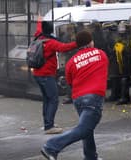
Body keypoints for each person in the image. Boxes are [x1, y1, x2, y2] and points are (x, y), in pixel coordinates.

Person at [41, 30, 109, 160]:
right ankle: (51, 147)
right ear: (90, 43)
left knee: (86, 128)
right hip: (94, 97)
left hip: (78, 98)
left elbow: (70, 81)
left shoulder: (71, 61)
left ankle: (90, 156)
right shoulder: (101, 54)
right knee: (84, 129)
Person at [33, 17, 77, 134]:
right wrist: (78, 43)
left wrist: (39, 20)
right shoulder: (50, 42)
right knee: (53, 99)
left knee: (47, 99)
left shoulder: (38, 38)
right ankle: (49, 126)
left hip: (37, 74)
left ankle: (48, 122)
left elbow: (38, 28)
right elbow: (64, 47)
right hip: (46, 75)